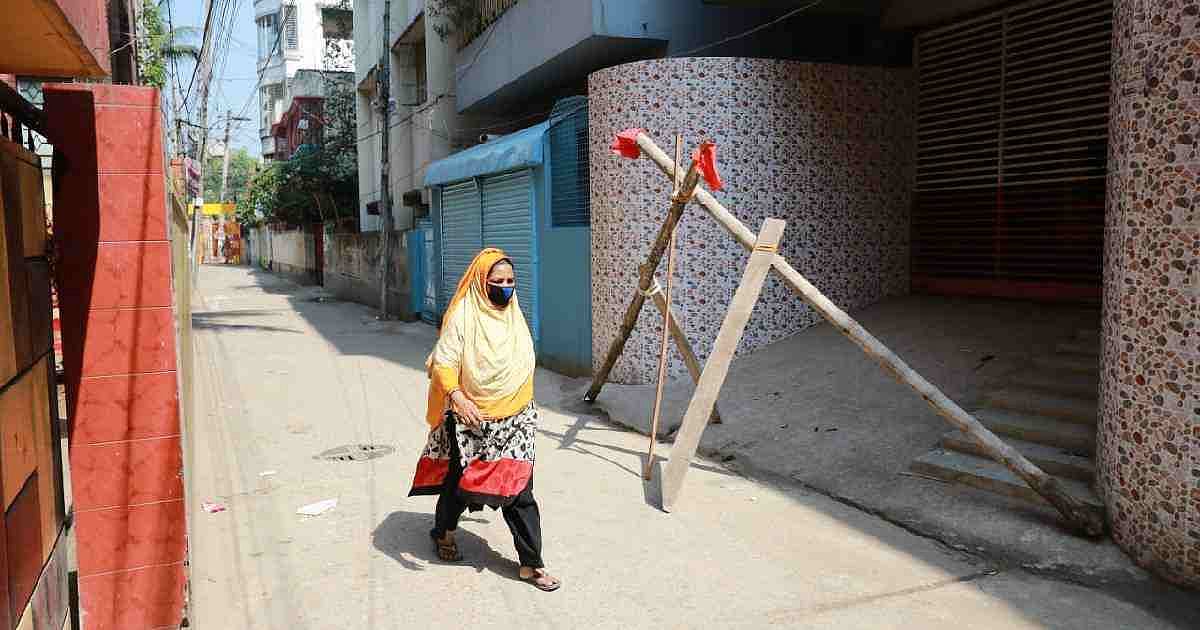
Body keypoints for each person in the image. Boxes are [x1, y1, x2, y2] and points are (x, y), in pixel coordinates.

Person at [408, 248, 561, 592]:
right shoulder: (463, 315)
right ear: (481, 283)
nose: (505, 288)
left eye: (510, 281)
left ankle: (531, 564)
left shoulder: (514, 314)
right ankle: (443, 531)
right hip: (471, 417)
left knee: (521, 491)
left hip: (516, 416)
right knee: (461, 484)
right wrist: (458, 396)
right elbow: (445, 363)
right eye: (498, 282)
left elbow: (521, 359)